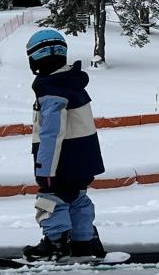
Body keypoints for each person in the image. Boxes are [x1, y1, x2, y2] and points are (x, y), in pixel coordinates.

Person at [22, 29, 107, 261]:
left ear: (39, 57)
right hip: (84, 160)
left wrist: (45, 170)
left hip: (61, 161)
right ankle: (83, 243)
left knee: (51, 198)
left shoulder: (52, 89)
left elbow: (51, 133)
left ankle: (56, 244)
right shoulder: (72, 83)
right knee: (77, 197)